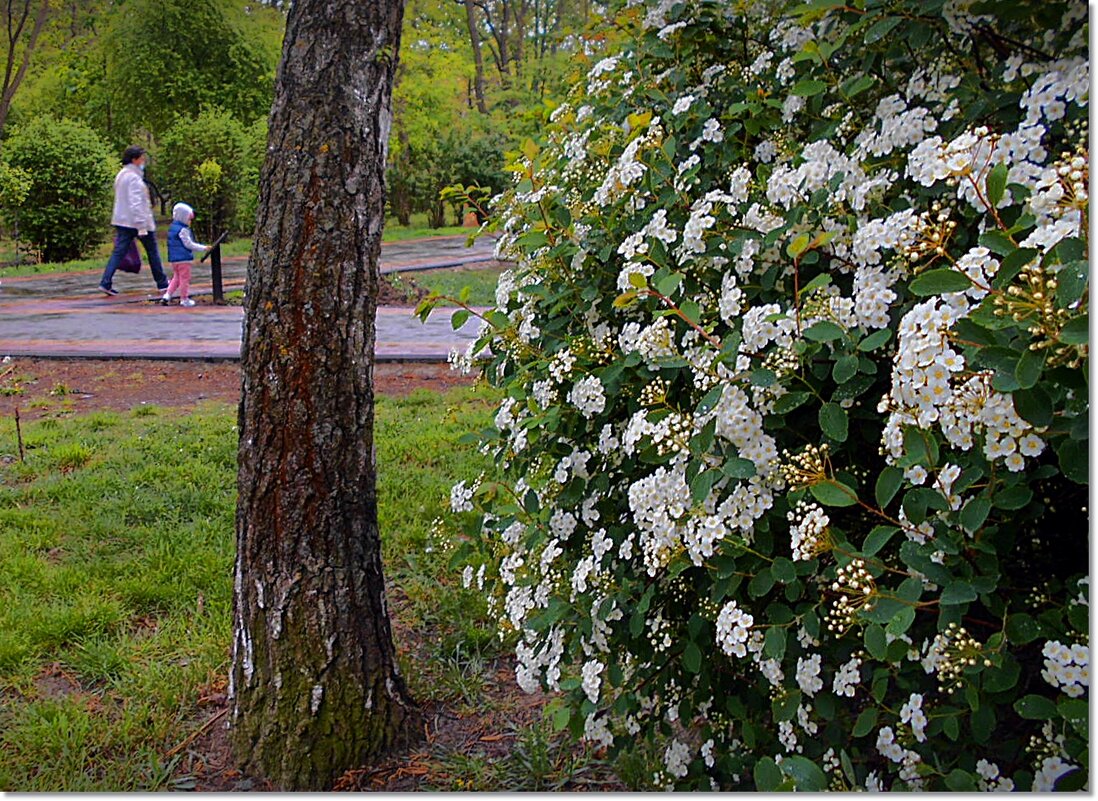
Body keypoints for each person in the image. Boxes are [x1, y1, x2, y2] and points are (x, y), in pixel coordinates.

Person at [98, 145, 169, 295]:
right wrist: (141, 225)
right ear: (134, 159)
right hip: (137, 222)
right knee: (152, 251)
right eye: (141, 157)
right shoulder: (134, 178)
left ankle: (106, 282)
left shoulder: (122, 175)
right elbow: (136, 203)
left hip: (122, 220)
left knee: (118, 252)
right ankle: (162, 283)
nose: (143, 160)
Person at [161, 202, 209, 307]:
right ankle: (184, 298)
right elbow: (189, 244)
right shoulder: (183, 230)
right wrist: (203, 248)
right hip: (183, 259)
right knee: (185, 279)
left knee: (176, 278)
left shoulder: (173, 228)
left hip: (174, 259)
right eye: (189, 219)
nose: (190, 222)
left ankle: (167, 295)